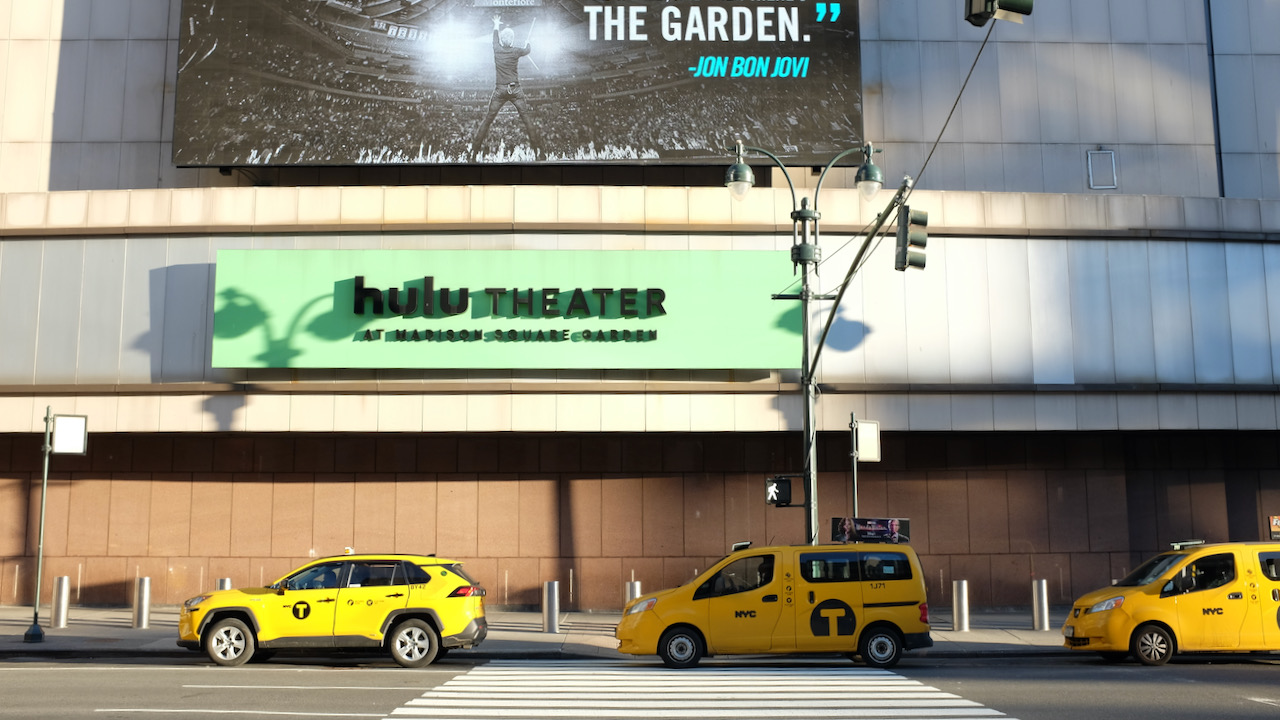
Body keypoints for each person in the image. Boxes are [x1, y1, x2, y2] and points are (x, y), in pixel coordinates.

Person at [468, 14, 543, 161]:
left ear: (502, 40)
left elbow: (494, 37)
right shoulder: (516, 51)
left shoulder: (496, 48)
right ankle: (539, 153)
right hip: (515, 89)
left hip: (500, 90)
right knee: (527, 119)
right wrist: (528, 43)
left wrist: (496, 24)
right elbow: (527, 50)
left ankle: (473, 155)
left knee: (487, 121)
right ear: (512, 40)